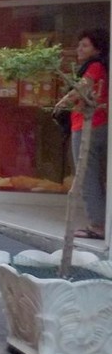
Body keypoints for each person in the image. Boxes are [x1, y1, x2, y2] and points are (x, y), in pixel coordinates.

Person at [55, 28, 109, 240]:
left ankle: (97, 226)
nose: (79, 49)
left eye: (84, 45)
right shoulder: (98, 66)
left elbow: (81, 89)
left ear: (97, 48)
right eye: (79, 45)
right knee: (94, 176)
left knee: (87, 177)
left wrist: (60, 103)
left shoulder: (94, 66)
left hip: (89, 126)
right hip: (95, 124)